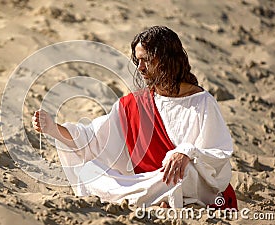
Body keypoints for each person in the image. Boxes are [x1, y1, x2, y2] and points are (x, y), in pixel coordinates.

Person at [32, 26, 237, 209]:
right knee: (88, 172)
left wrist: (185, 153)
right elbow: (93, 140)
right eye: (138, 61)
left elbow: (219, 152)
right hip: (149, 181)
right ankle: (155, 199)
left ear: (166, 59)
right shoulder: (133, 104)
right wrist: (53, 128)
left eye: (146, 60)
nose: (140, 68)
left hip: (184, 179)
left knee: (186, 173)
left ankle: (154, 198)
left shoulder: (202, 101)